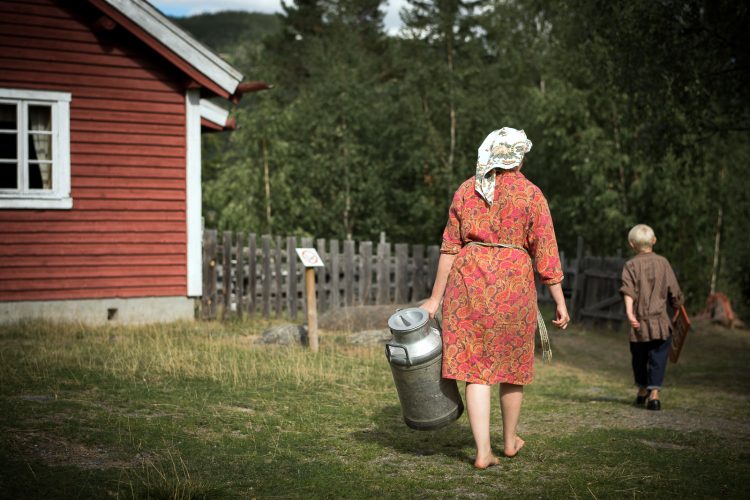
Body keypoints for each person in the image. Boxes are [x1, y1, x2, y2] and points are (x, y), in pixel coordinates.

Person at [421, 127, 570, 469]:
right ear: (518, 155)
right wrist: (559, 300)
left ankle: (482, 451)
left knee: (477, 369)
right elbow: (546, 252)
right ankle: (510, 441)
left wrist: (434, 299)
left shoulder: (466, 189)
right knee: (511, 368)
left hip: (468, 281)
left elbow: (449, 246)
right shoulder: (531, 194)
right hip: (512, 284)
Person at [620, 224, 683, 411]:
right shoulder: (663, 263)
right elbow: (674, 292)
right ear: (654, 241)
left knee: (638, 358)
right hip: (661, 324)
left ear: (632, 244)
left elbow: (628, 291)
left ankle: (641, 390)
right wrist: (678, 305)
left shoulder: (630, 265)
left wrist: (630, 313)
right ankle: (654, 395)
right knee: (658, 358)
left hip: (639, 323)